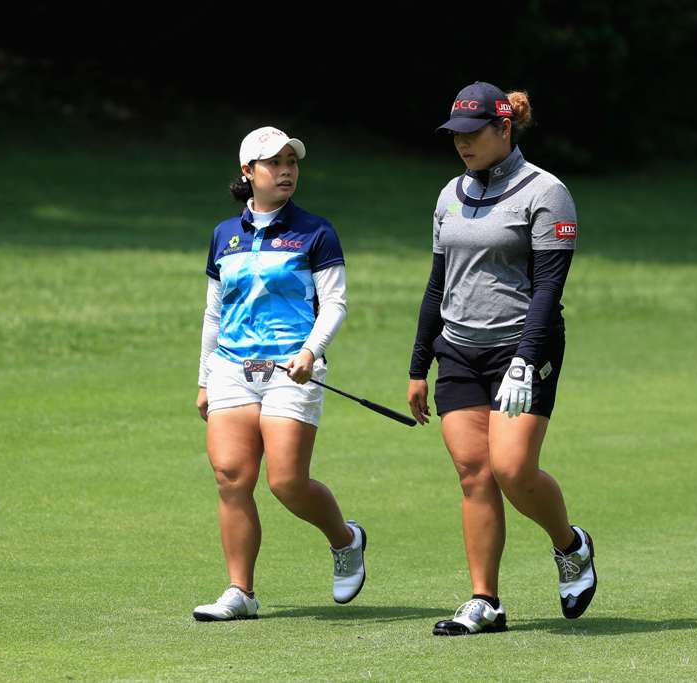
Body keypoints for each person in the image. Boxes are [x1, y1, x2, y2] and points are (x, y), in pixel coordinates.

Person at [407, 82, 597, 636]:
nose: (462, 145)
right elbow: (437, 283)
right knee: (474, 475)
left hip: (522, 347)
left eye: (472, 134)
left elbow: (547, 289)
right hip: (459, 351)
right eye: (455, 136)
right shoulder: (449, 194)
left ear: (503, 128)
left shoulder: (546, 192)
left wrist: (524, 358)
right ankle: (484, 600)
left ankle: (571, 545)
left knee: (513, 469)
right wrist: (420, 365)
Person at [193, 126, 367, 621]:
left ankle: (346, 539)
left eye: (292, 162)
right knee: (231, 477)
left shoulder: (315, 231)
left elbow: (333, 303)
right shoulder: (223, 235)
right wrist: (205, 377)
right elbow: (213, 312)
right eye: (274, 163)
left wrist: (311, 351)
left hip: (293, 367)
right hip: (231, 367)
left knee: (287, 482)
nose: (286, 170)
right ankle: (240, 591)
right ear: (248, 173)